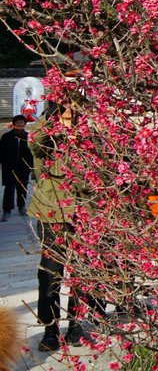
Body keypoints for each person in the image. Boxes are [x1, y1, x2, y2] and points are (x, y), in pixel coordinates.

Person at [29, 102, 103, 351]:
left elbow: (97, 169)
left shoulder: (86, 131)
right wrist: (53, 121)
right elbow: (36, 145)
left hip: (84, 211)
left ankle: (75, 325)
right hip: (53, 212)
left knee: (82, 274)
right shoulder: (45, 128)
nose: (72, 104)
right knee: (50, 274)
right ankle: (50, 328)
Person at [0, 115, 34, 220]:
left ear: (25, 124)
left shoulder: (28, 137)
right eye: (17, 122)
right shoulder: (6, 136)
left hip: (23, 167)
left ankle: (22, 207)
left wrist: (32, 167)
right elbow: (1, 152)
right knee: (9, 189)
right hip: (9, 167)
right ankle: (7, 211)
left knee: (22, 188)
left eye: (21, 122)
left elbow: (31, 153)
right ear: (14, 123)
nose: (19, 124)